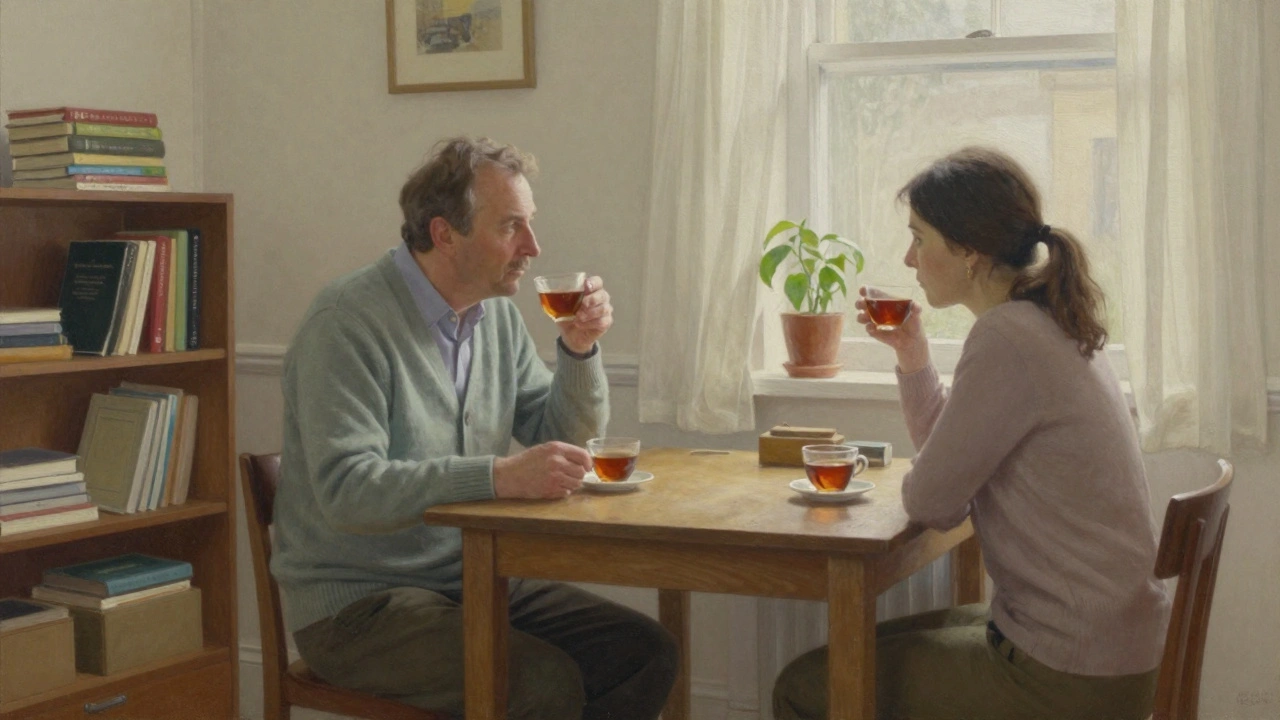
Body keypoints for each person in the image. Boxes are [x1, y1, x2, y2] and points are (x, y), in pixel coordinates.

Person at [272, 136, 679, 720]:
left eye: (529, 225)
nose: (532, 247)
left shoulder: (496, 320)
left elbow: (560, 436)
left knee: (643, 652)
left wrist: (579, 351)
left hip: (475, 582)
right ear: (445, 233)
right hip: (358, 608)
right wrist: (497, 477)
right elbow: (348, 491)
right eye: (512, 227)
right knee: (539, 684)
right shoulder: (346, 324)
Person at [772, 147, 1171, 720]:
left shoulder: (1007, 339)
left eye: (919, 238)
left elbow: (932, 501)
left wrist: (930, 470)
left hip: (1069, 674)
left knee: (803, 684)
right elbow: (952, 453)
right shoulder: (1044, 320)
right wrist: (913, 354)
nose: (908, 258)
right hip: (1110, 652)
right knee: (858, 648)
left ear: (968, 252)